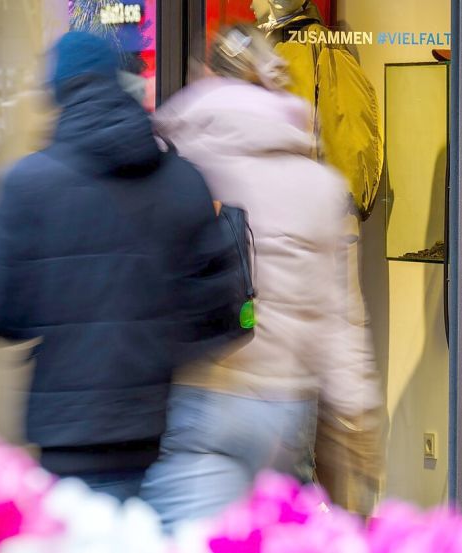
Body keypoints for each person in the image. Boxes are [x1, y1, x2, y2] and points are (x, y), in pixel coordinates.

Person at [0, 31, 241, 501]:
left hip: (66, 437)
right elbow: (220, 314)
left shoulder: (28, 184)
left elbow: (2, 317)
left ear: (56, 93)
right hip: (162, 431)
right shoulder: (182, 180)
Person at [139, 24, 381, 527]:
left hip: (203, 391)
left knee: (193, 535)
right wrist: (357, 423)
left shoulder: (179, 161)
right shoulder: (320, 185)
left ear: (208, 75)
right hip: (284, 407)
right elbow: (340, 320)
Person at [252, 0, 387, 516]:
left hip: (302, 230)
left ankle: (325, 511)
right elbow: (360, 151)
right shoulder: (321, 49)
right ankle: (332, 509)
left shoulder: (304, 50)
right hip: (315, 226)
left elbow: (351, 148)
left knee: (311, 376)